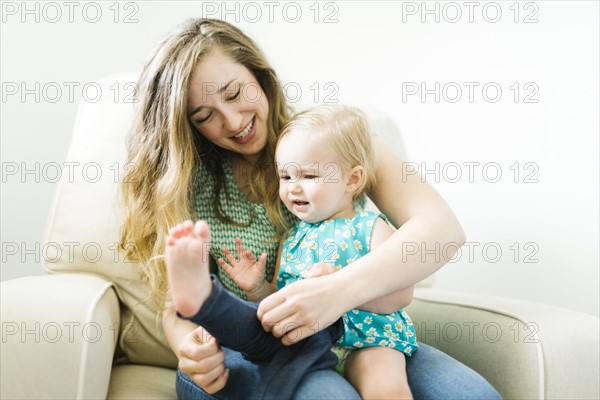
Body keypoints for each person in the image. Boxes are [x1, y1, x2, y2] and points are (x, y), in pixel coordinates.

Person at [120, 17, 501, 400]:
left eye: (235, 93)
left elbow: (441, 229)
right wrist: (190, 349)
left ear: (259, 75)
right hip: (246, 346)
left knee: (470, 394)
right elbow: (177, 306)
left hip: (357, 330)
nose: (233, 121)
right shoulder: (186, 180)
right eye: (205, 116)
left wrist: (338, 290)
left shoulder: (332, 140)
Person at [165, 105, 418, 399]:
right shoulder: (292, 239)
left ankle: (205, 300)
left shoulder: (370, 227)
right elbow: (279, 298)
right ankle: (204, 299)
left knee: (385, 388)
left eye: (309, 176)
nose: (294, 188)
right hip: (302, 340)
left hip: (368, 341)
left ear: (352, 179)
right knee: (254, 325)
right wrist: (258, 287)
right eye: (285, 177)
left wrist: (341, 281)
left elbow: (402, 294)